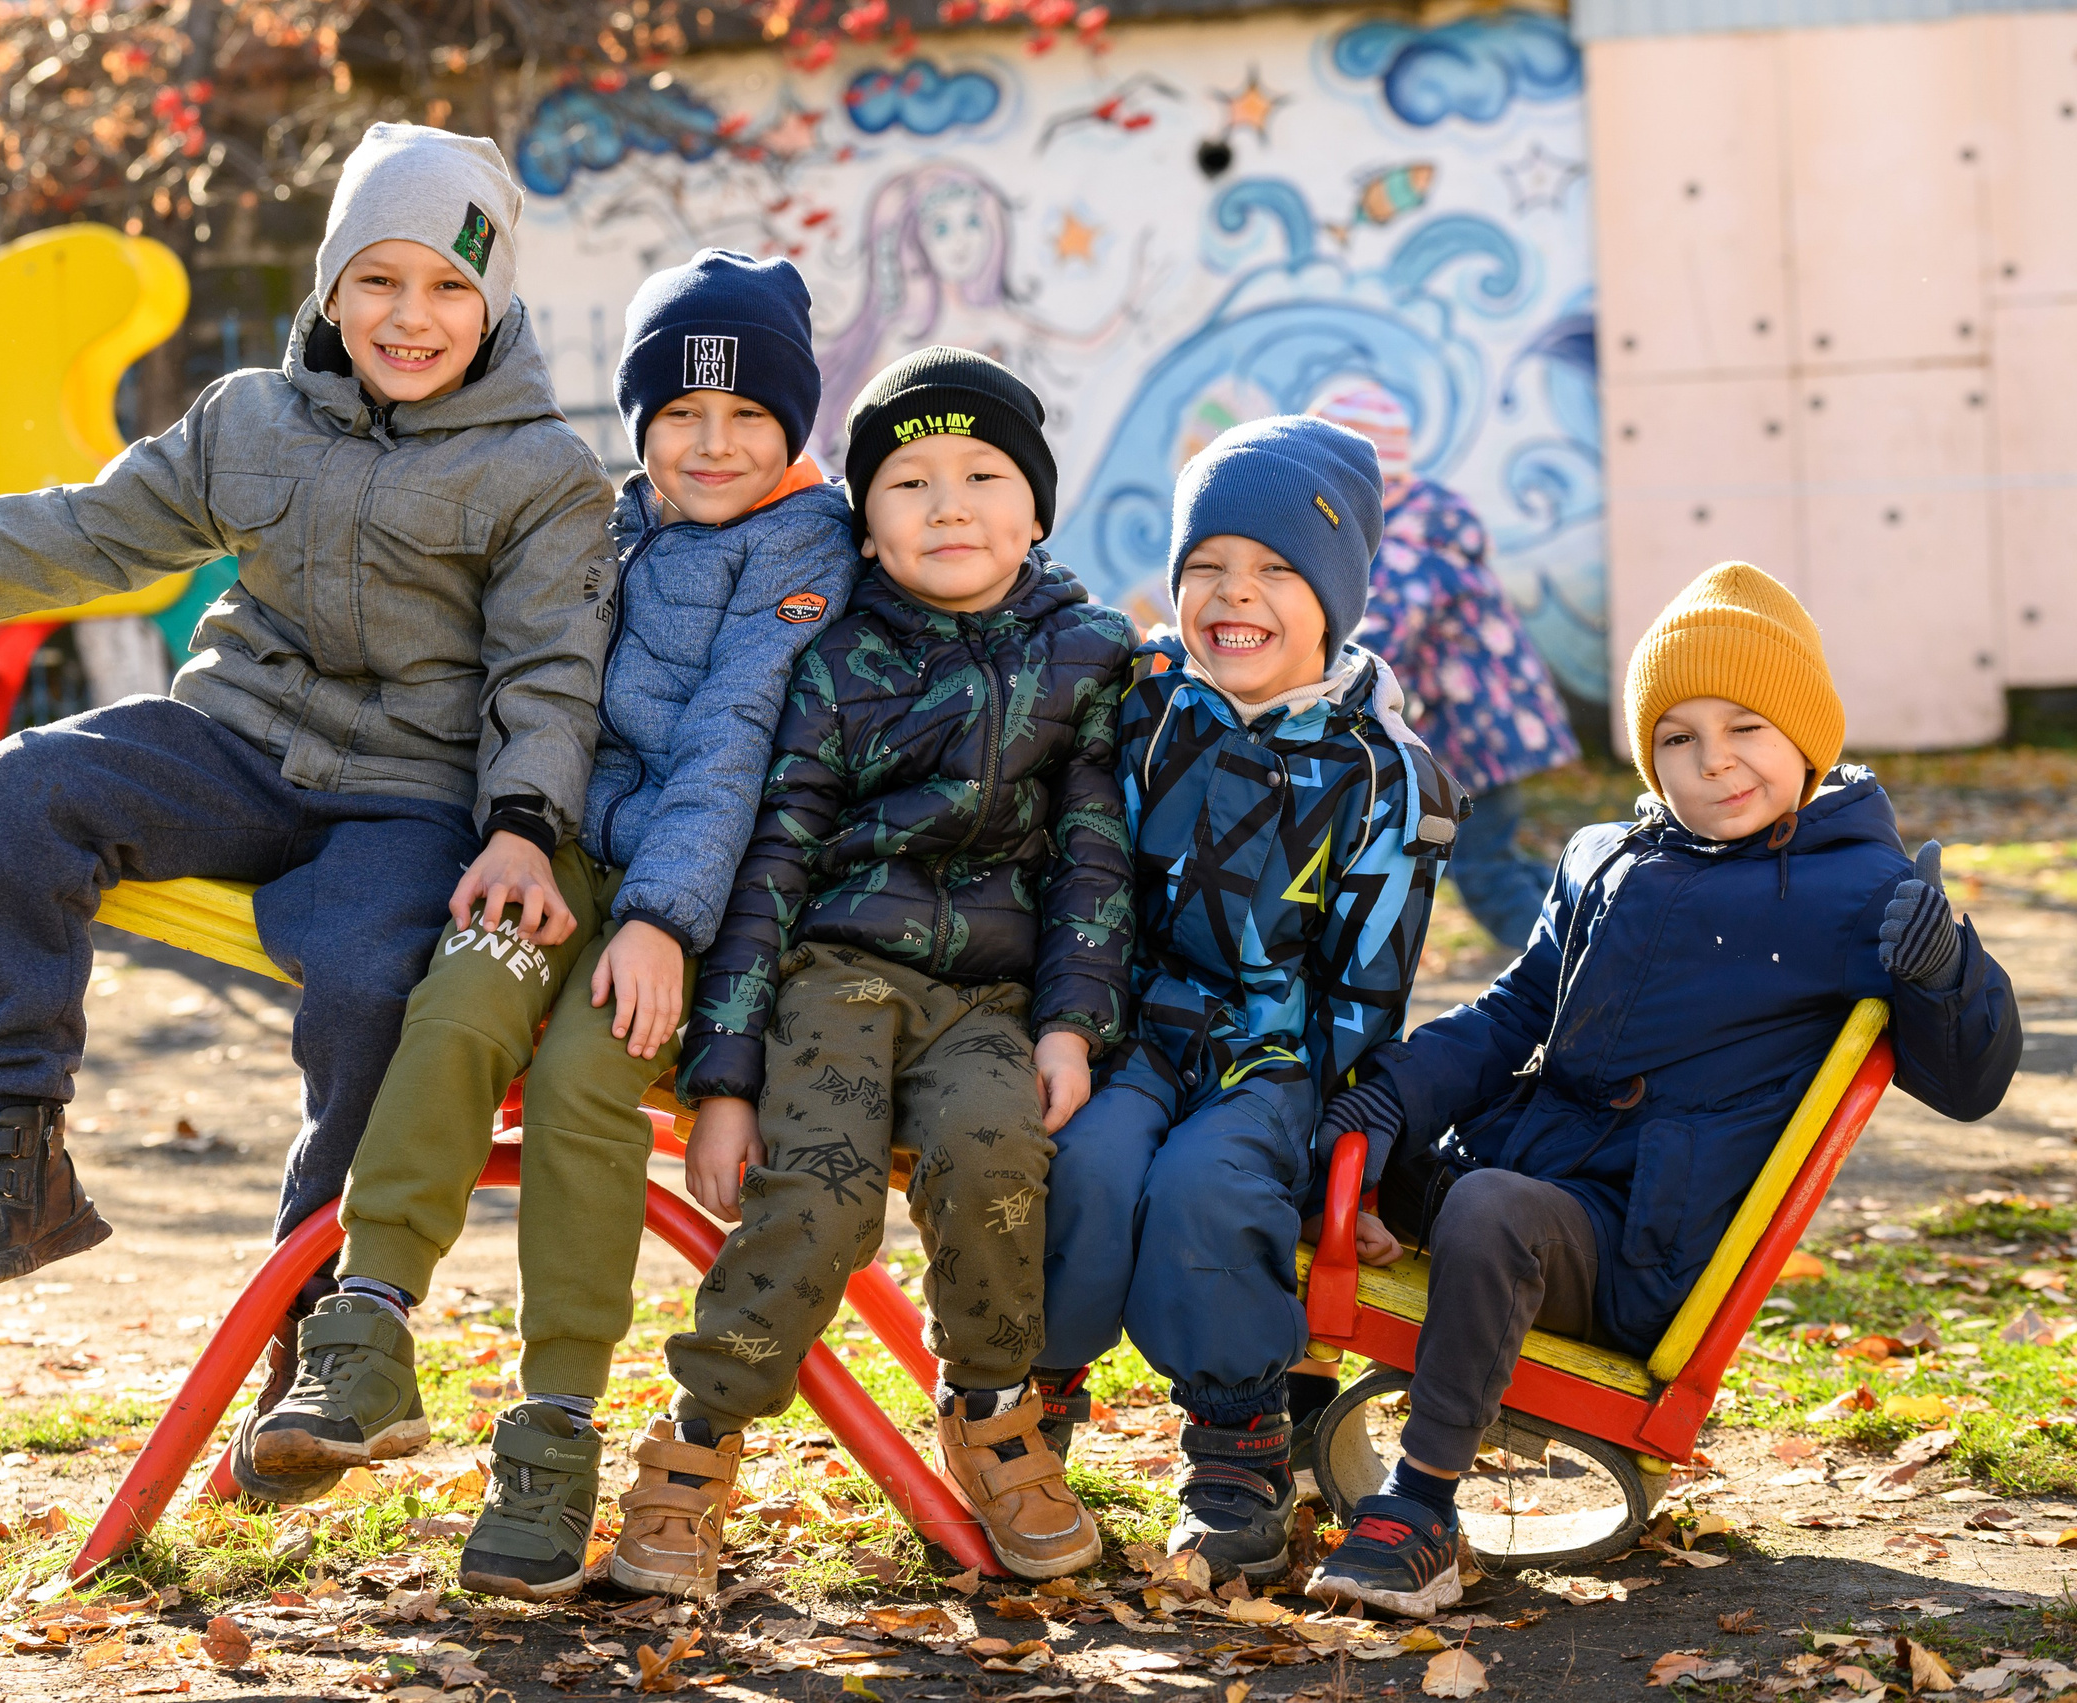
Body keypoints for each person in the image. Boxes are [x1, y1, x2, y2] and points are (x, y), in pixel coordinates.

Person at [0, 123, 615, 1473]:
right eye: (379, 280)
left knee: (369, 978)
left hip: (409, 799)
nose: (412, 317)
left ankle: (315, 1333)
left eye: (450, 288)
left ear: (497, 299)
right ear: (330, 288)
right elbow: (91, 526)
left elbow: (549, 671)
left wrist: (522, 821)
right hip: (232, 745)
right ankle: (21, 1156)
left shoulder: (543, 474)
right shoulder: (251, 419)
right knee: (29, 784)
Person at [231, 250, 863, 1600]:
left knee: (585, 1082)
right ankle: (370, 1319)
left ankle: (557, 1424)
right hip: (557, 852)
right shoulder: (599, 518)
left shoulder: (811, 548)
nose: (711, 444)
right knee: (460, 997)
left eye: (748, 416)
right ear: (639, 423)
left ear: (793, 423)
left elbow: (733, 739)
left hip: (705, 895)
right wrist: (522, 834)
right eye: (679, 415)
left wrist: (662, 922)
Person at [1305, 561, 2024, 1618]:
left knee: (1491, 1210)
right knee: (1293, 1124)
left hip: (1636, 1244)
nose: (1712, 762)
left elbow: (1969, 1084)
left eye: (1746, 727)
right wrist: (1389, 1100)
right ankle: (1264, 1428)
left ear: (1805, 735)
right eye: (1677, 737)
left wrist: (1943, 968)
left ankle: (1418, 1512)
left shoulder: (1856, 892)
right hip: (1519, 1170)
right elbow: (1512, 1014)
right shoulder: (1609, 855)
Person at [605, 348, 1137, 1595]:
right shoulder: (835, 660)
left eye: (981, 472)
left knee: (996, 1154)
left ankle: (995, 1409)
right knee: (822, 1198)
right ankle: (694, 1444)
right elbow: (771, 866)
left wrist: (1070, 1025)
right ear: (867, 522)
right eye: (907, 481)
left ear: (1038, 509)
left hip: (995, 999)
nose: (947, 503)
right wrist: (724, 1080)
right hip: (836, 975)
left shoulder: (1092, 659)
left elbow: (1094, 864)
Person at [1033, 415, 1465, 1583]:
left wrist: (1341, 1137)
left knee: (1208, 1185)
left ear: (1336, 597)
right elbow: (1087, 870)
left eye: (1277, 569)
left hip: (1270, 1051)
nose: (1237, 594)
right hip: (1131, 1026)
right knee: (1087, 1158)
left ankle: (1237, 1434)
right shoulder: (1144, 708)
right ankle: (1032, 1399)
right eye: (1206, 567)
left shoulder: (1386, 773)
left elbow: (1366, 980)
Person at [1313, 381, 1578, 950]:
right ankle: (1583, 928)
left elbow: (1379, 640)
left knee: (1481, 871)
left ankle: (1564, 973)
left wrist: (1316, 678)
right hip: (1489, 731)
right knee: (1494, 858)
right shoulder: (1425, 524)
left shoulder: (1403, 547)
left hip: (1469, 740)